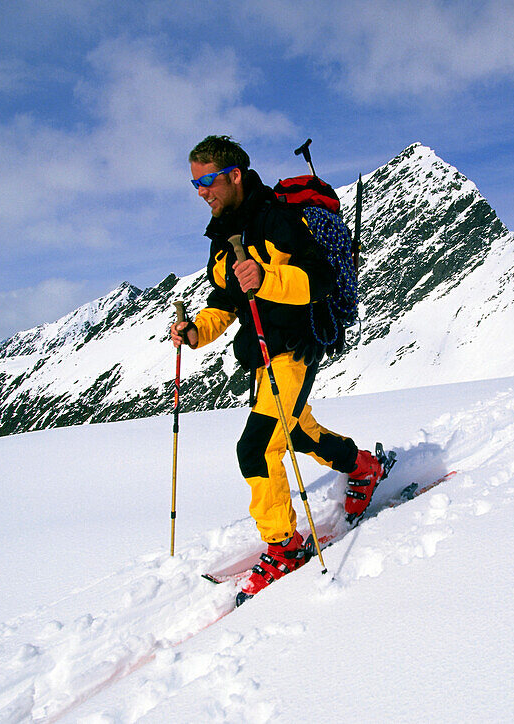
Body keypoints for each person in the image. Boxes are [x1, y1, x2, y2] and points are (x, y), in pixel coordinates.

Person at [171, 135, 384, 602]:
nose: (201, 192)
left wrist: (268, 278)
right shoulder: (223, 238)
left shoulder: (278, 220)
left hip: (294, 347)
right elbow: (227, 302)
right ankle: (364, 468)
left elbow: (320, 279)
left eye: (207, 181)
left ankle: (284, 547)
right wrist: (196, 332)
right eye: (195, 185)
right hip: (262, 354)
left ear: (234, 175)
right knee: (299, 433)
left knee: (256, 449)